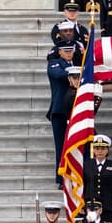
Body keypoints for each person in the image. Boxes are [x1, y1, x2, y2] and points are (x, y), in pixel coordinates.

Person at [46, 45, 78, 185]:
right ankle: (61, 178)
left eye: (71, 51)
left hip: (75, 109)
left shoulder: (77, 64)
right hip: (60, 111)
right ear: (59, 52)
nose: (69, 54)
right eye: (66, 51)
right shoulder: (55, 64)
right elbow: (58, 75)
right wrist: (77, 73)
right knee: (61, 146)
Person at [81, 134, 112, 223]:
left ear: (107, 150)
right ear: (93, 150)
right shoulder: (86, 165)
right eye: (97, 148)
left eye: (103, 149)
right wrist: (81, 205)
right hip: (91, 206)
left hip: (108, 206)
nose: (100, 151)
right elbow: (83, 186)